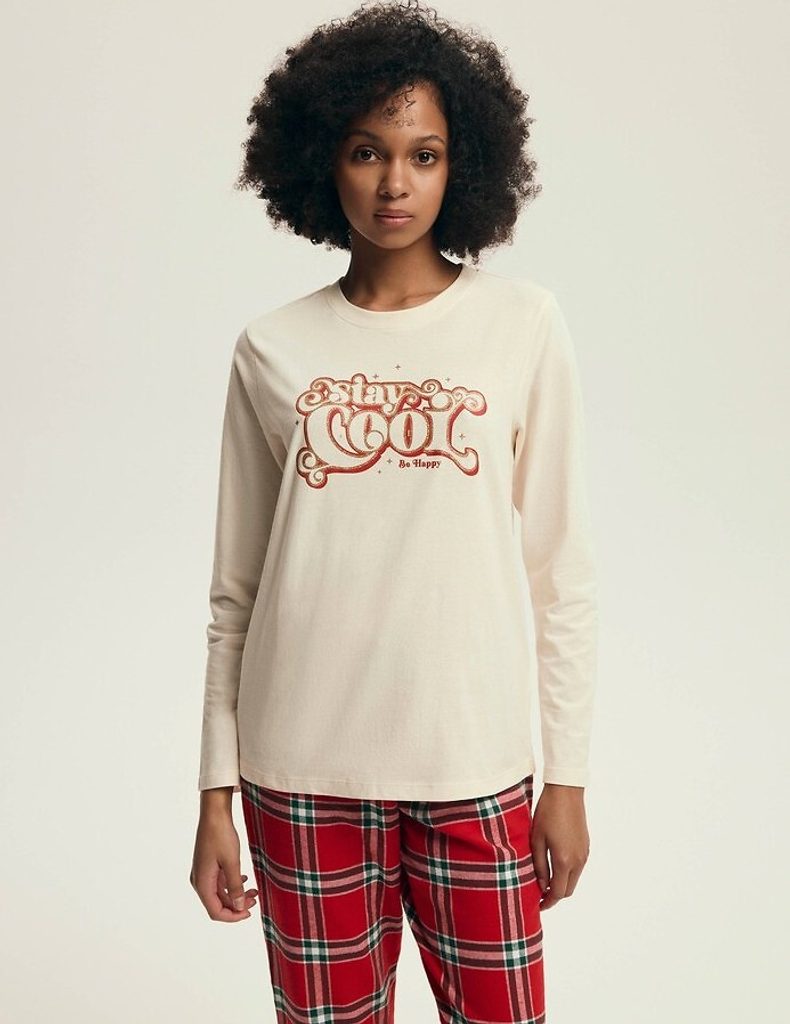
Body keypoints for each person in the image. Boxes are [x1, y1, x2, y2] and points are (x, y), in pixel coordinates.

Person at [189, 2, 598, 1021]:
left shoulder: (522, 325)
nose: (394, 183)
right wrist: (214, 794)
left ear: (464, 166)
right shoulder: (272, 348)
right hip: (300, 774)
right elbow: (236, 593)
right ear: (321, 160)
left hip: (473, 765)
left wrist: (567, 778)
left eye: (424, 154)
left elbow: (562, 573)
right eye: (367, 151)